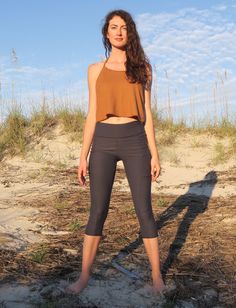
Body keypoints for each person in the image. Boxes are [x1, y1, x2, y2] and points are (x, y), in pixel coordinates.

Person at [66, 9, 166, 296]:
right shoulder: (94, 70)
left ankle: (157, 278)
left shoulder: (143, 68)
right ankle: (84, 277)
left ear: (129, 32)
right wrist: (83, 155)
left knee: (144, 210)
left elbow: (147, 113)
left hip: (134, 139)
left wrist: (154, 154)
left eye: (124, 27)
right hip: (104, 140)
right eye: (113, 27)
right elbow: (91, 114)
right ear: (106, 33)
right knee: (97, 210)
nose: (119, 31)